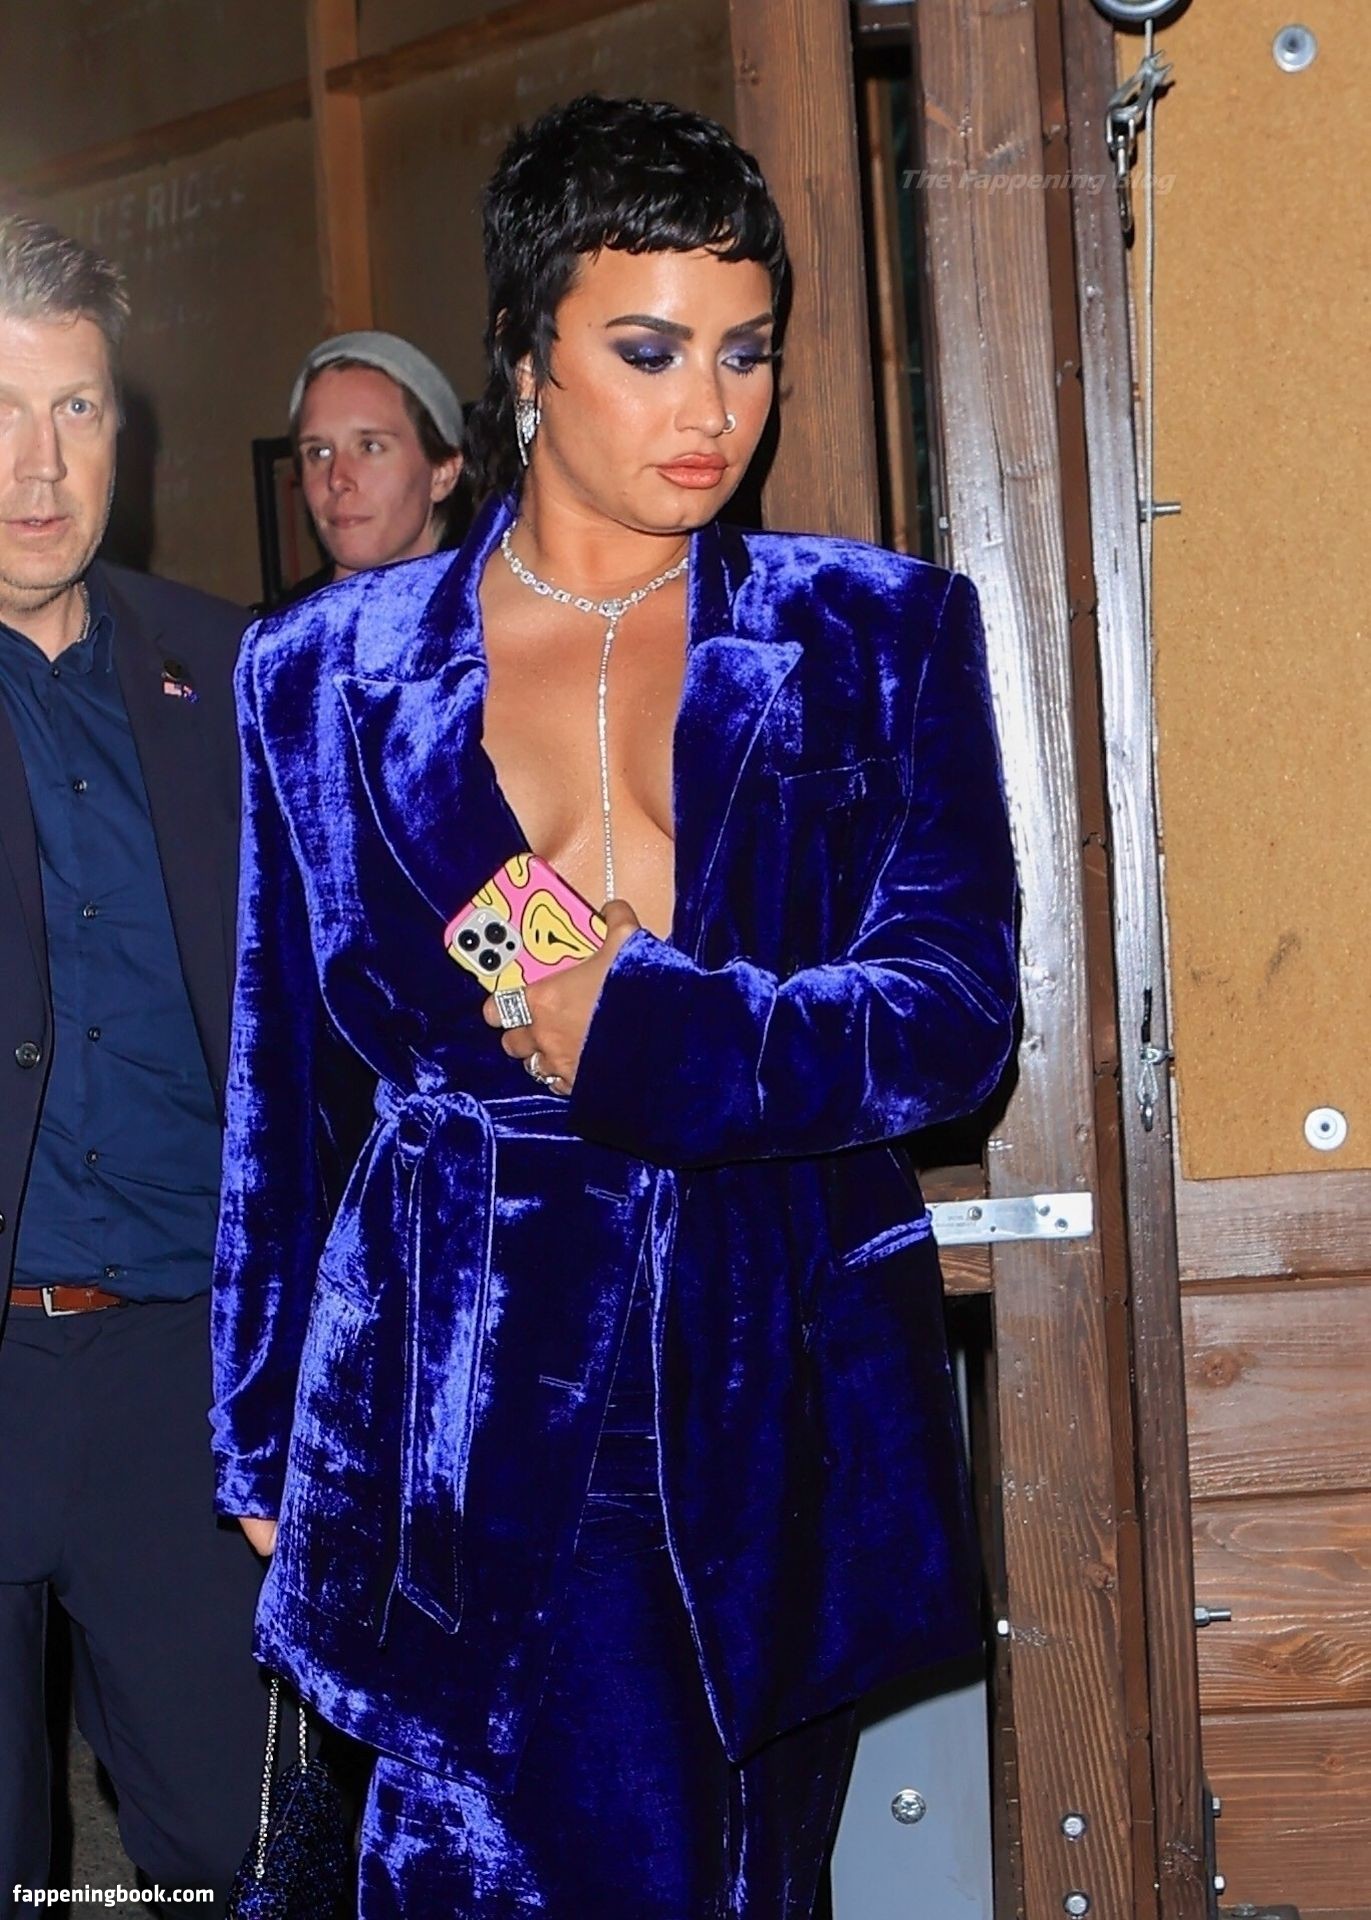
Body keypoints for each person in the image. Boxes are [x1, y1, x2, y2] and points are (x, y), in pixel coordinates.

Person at [211, 94, 1018, 1918]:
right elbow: (283, 1082)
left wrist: (656, 1037)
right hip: (445, 1385)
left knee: (731, 1875)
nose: (708, 407)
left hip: (760, 1380)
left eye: (745, 352)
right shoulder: (318, 670)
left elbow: (955, 1011)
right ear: (523, 362)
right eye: (647, 353)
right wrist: (259, 1432)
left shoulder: (875, 633)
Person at [0, 215, 268, 1908]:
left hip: (183, 1366)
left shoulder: (233, 668)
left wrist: (583, 965)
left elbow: (423, 886)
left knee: (239, 1848)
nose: (39, 467)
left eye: (77, 410)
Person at [280, 330, 464, 604]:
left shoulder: (491, 621)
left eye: (370, 447)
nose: (337, 479)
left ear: (442, 474)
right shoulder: (280, 628)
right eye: (319, 452)